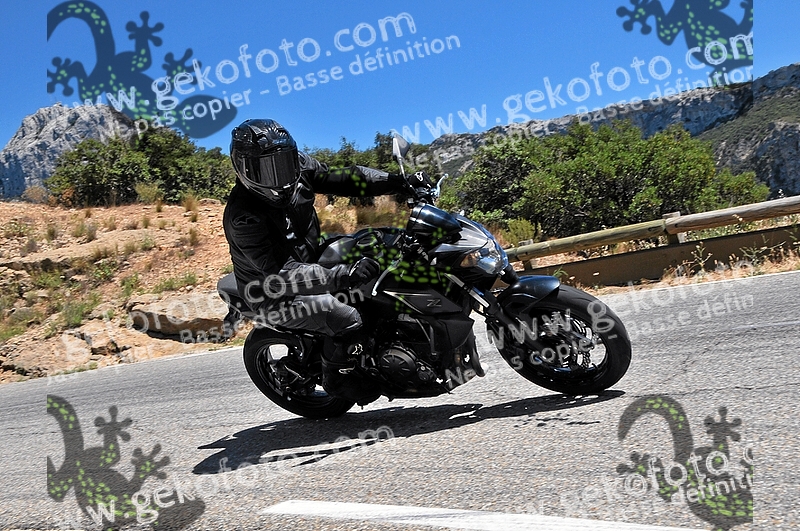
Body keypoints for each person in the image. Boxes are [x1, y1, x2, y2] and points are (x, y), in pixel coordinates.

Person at [222, 118, 431, 404]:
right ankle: (341, 383)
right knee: (346, 317)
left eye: (283, 164)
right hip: (273, 292)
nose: (280, 176)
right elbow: (281, 273)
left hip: (311, 257)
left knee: (381, 244)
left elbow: (345, 178)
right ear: (244, 169)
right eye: (266, 170)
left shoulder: (300, 166)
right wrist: (342, 275)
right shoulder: (243, 217)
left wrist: (397, 182)